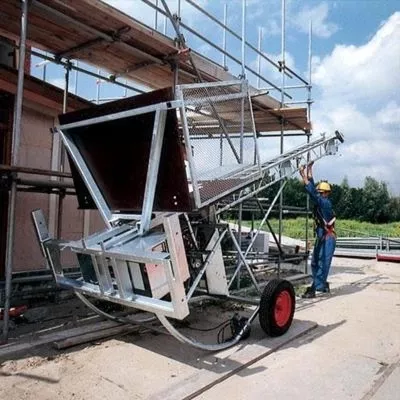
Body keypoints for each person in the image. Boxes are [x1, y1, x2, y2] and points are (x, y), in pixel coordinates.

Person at [299, 161, 336, 298]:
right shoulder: (322, 200)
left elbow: (312, 193)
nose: (319, 194)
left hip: (328, 237)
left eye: (321, 192)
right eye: (319, 192)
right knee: (315, 261)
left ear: (326, 193)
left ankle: (314, 288)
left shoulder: (324, 203)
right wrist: (310, 169)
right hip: (322, 236)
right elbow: (313, 190)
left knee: (322, 262)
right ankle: (323, 285)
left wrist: (303, 174)